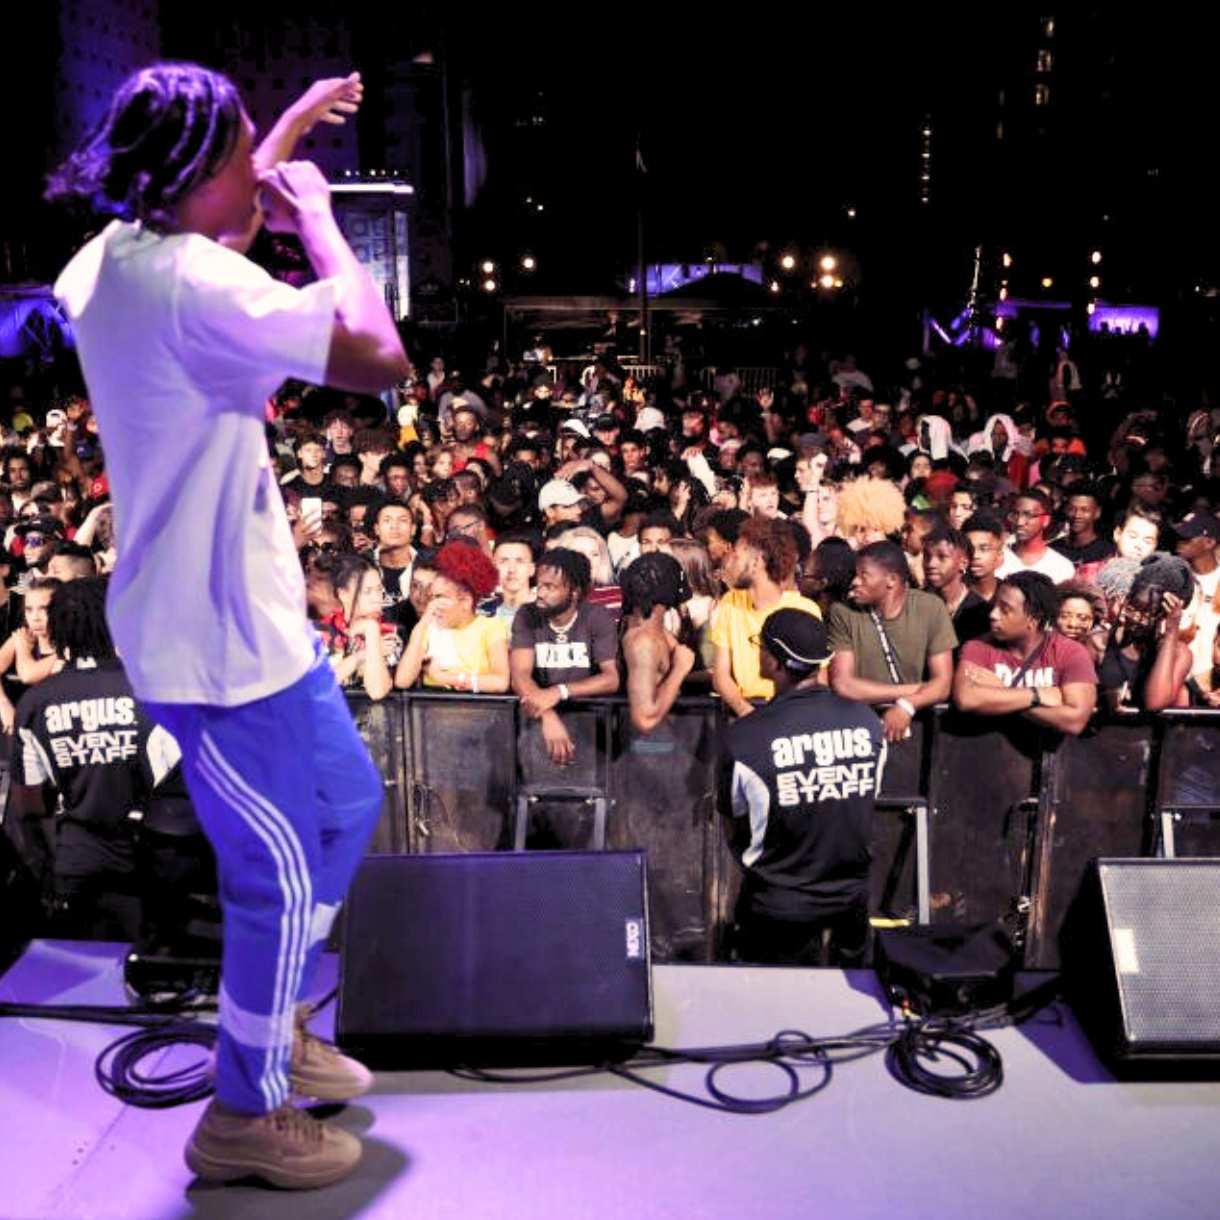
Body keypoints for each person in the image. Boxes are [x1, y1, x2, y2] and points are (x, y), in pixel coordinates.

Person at [49, 63, 408, 1187]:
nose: (261, 172)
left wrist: (284, 129)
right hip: (212, 645)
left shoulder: (104, 262)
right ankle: (243, 1111)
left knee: (349, 802)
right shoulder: (199, 284)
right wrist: (326, 230)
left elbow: (202, 239)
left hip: (252, 620)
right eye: (243, 150)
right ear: (191, 173)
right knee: (279, 876)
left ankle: (271, 1024)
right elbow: (379, 360)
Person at [720, 608, 886, 967]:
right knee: (852, 1011)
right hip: (850, 898)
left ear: (776, 664)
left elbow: (733, 828)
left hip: (777, 906)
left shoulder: (744, 739)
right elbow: (860, 802)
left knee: (771, 1009)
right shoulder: (868, 722)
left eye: (759, 646)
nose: (757, 653)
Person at [827, 541, 956, 743]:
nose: (855, 582)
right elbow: (843, 685)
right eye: (855, 574)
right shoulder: (842, 613)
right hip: (860, 730)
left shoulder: (930, 608)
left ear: (892, 580)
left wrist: (906, 706)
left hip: (920, 730)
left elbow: (943, 683)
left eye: (864, 575)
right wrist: (917, 690)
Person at [510, 548, 620, 766]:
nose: (540, 593)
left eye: (550, 587)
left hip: (589, 727)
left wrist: (558, 692)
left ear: (575, 591)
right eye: (539, 585)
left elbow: (611, 679)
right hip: (538, 725)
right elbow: (520, 676)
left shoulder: (597, 617)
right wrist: (547, 714)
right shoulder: (526, 615)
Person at [953, 571, 1097, 736]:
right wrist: (1037, 695)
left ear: (1033, 619)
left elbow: (1074, 721)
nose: (993, 615)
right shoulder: (978, 647)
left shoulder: (1071, 652)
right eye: (995, 606)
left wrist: (1002, 689)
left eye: (1004, 610)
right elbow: (966, 698)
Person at [395, 541, 509, 692]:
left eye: (440, 597)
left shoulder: (492, 628)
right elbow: (402, 681)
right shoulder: (428, 630)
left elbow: (500, 682)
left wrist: (446, 678)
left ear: (465, 601)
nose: (432, 604)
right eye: (433, 597)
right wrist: (422, 624)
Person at [620, 552, 696, 735]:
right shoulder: (643, 643)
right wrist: (679, 670)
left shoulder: (658, 632)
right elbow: (644, 720)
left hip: (668, 743)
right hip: (649, 752)